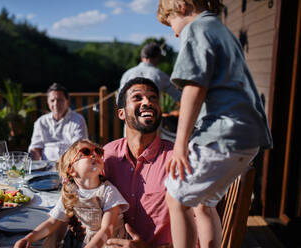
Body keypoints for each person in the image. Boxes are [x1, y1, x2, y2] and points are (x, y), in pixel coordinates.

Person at [157, 1, 273, 247]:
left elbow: (194, 87)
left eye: (172, 24)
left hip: (225, 133)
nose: (174, 33)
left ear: (181, 5)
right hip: (247, 137)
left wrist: (180, 144)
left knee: (176, 200)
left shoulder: (196, 28)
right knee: (203, 203)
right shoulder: (220, 29)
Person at [15, 139, 129, 248]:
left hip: (107, 242)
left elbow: (107, 229)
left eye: (98, 151)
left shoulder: (108, 192)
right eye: (86, 152)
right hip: (84, 241)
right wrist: (28, 238)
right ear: (71, 169)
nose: (95, 155)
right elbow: (53, 222)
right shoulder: (70, 193)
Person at [104, 77, 174, 247]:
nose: (147, 102)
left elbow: (197, 231)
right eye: (137, 97)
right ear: (121, 113)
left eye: (153, 98)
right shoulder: (106, 155)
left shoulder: (176, 159)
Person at [28, 83, 88, 161]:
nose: (55, 104)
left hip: (70, 165)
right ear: (48, 102)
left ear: (67, 101)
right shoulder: (41, 122)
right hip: (45, 167)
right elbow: (35, 149)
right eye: (52, 100)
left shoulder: (78, 120)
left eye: (60, 100)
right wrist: (35, 167)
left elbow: (79, 148)